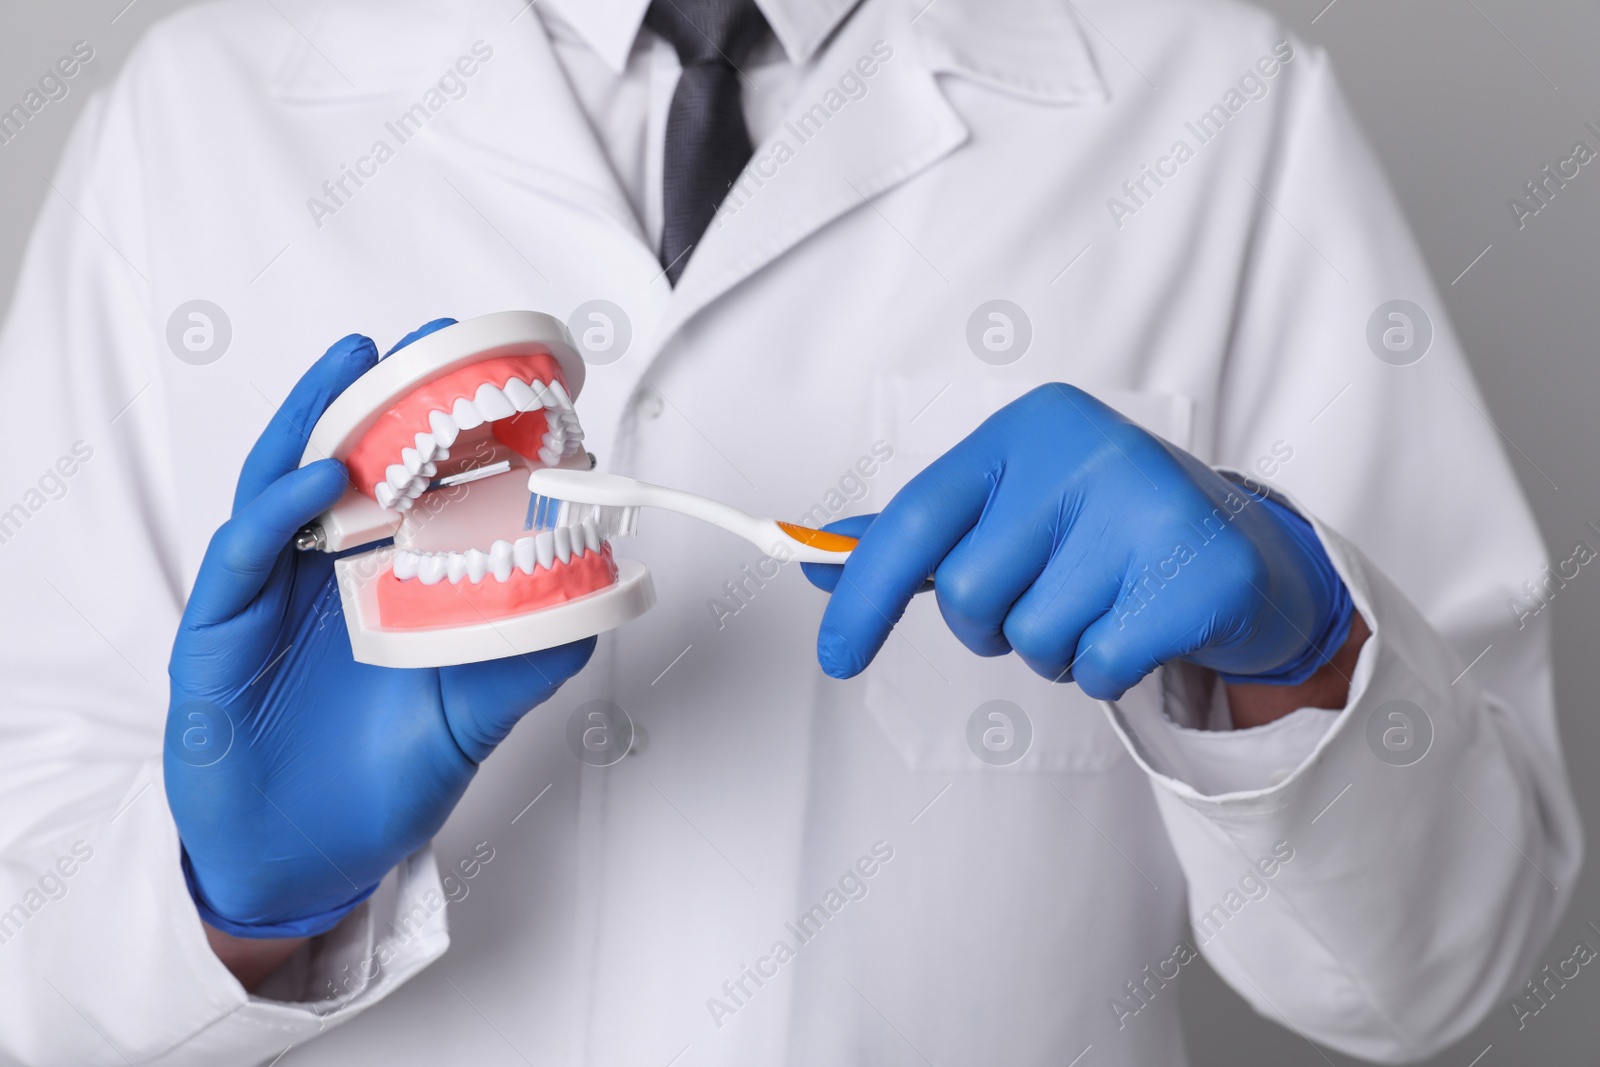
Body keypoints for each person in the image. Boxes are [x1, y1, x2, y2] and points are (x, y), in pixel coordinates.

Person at [0, 0, 1580, 1063]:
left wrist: (1297, 654)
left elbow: (1436, 973)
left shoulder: (1212, 98)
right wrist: (237, 898)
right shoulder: (201, 110)